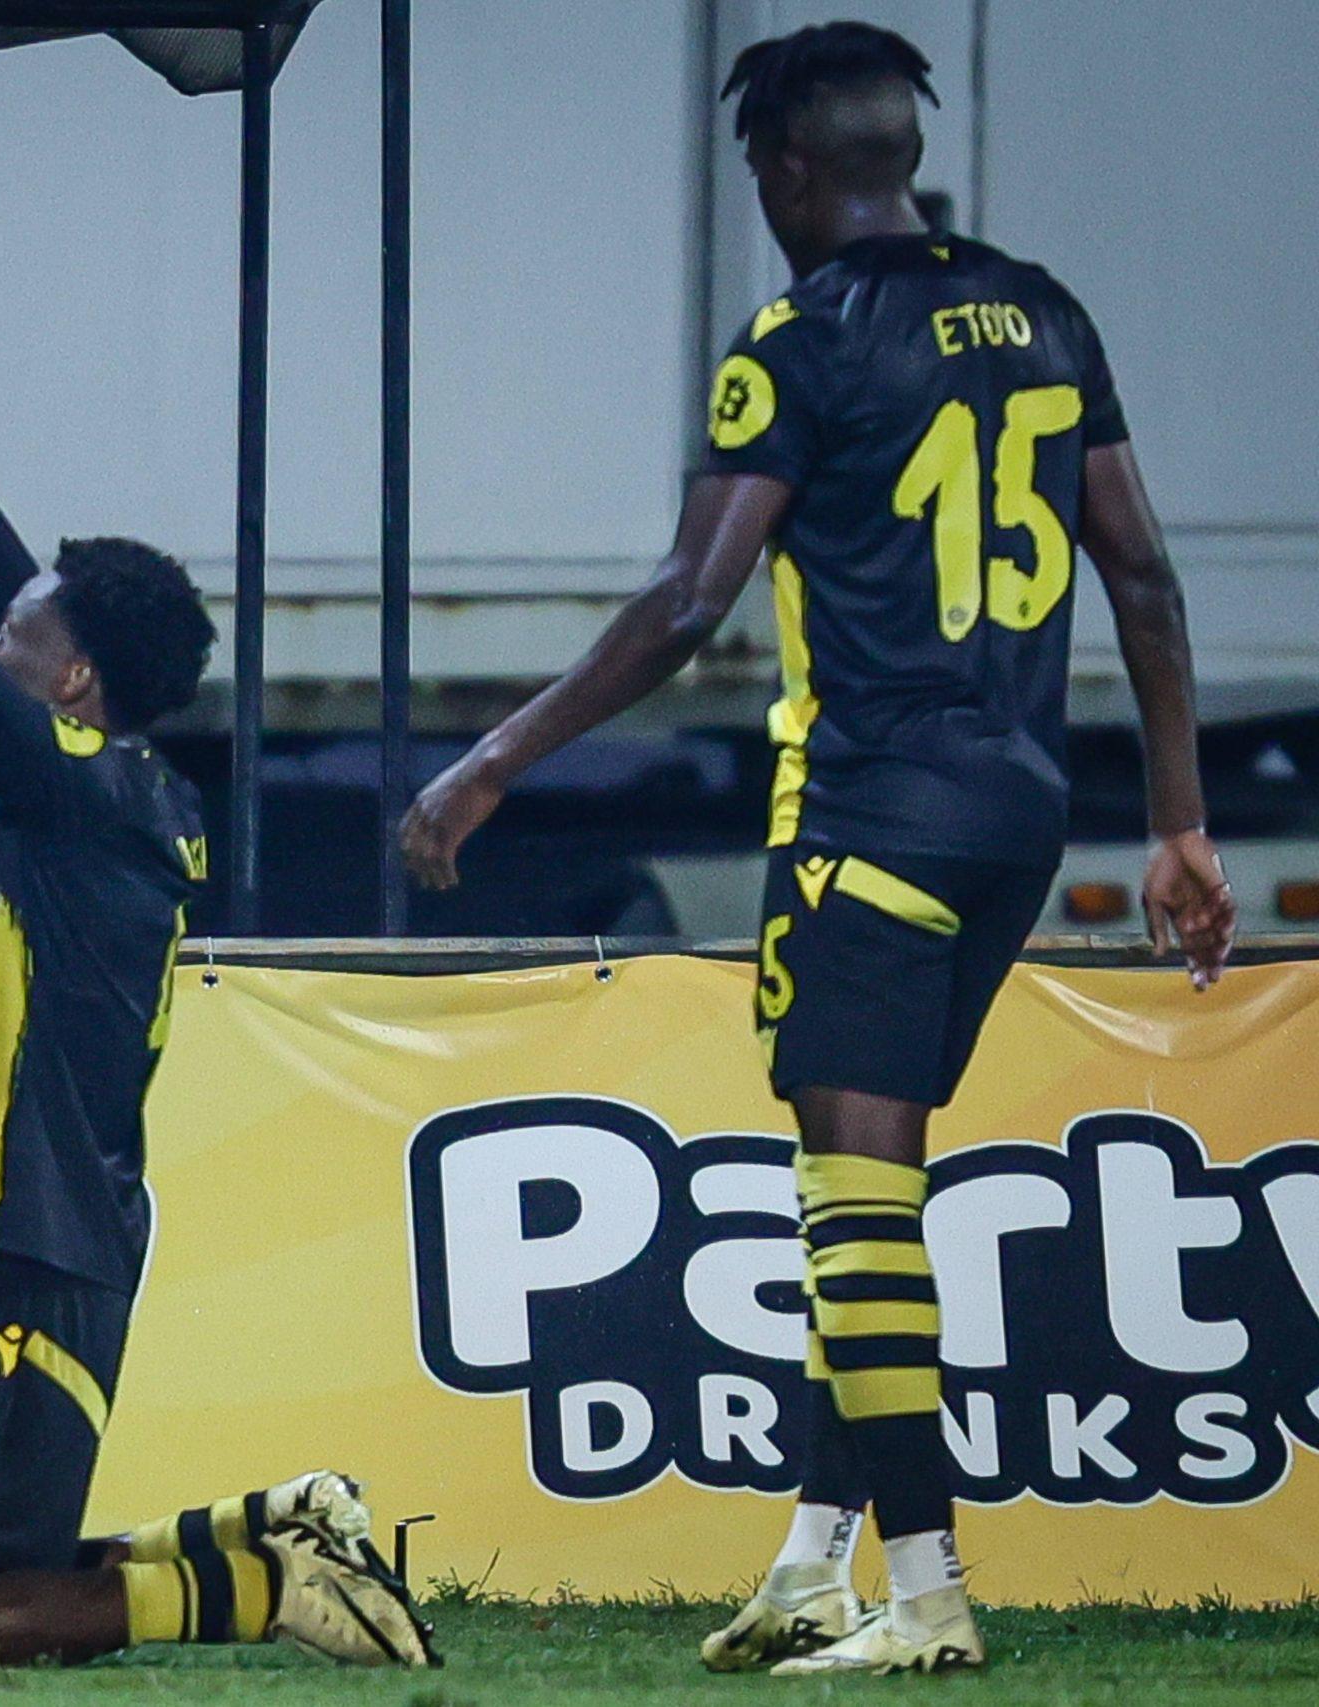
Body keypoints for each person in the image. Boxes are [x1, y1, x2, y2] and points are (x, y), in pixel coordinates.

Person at [400, 20, 1234, 1679]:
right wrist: (1180, 822)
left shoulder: (796, 341)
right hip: (1018, 818)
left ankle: (925, 1599)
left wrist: (490, 764)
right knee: (878, 1194)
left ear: (785, 171)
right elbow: (1140, 573)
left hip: (870, 816)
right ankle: (810, 1562)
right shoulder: (1047, 310)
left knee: (854, 1216)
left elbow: (689, 603)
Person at [0, 260, 433, 1669]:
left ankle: (263, 1587)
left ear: (70, 688)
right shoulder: (108, 778)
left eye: (24, 641)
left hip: (28, 1251)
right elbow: (16, 612)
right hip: (19, 1237)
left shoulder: (81, 796)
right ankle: (270, 1536)